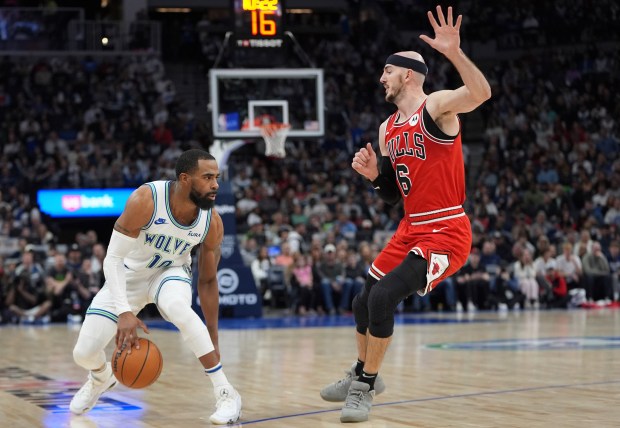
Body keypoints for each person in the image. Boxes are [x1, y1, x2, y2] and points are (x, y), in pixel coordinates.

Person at [320, 6, 491, 423]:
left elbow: (481, 92)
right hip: (410, 226)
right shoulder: (386, 130)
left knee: (382, 297)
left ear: (408, 75)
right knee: (363, 299)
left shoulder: (436, 107)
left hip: (446, 229)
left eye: (386, 72)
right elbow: (394, 196)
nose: (381, 79)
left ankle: (365, 386)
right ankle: (365, 373)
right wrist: (374, 176)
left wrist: (454, 52)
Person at [69, 150, 242, 425]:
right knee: (83, 354)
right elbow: (112, 259)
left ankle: (226, 392)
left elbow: (207, 281)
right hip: (129, 275)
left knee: (177, 308)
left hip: (170, 273)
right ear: (185, 179)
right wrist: (125, 311)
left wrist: (214, 338)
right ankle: (101, 377)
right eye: (207, 177)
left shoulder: (211, 222)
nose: (215, 185)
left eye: (217, 178)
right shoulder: (146, 200)